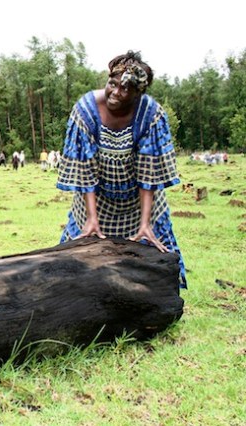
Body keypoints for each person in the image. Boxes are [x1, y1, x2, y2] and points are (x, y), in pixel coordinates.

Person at [56, 51, 187, 288]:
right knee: (76, 265)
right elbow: (85, 171)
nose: (116, 93)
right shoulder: (85, 111)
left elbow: (149, 173)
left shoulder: (150, 115)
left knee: (156, 266)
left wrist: (145, 224)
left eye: (125, 89)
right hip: (95, 201)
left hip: (140, 205)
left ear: (138, 94)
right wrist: (92, 219)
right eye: (112, 84)